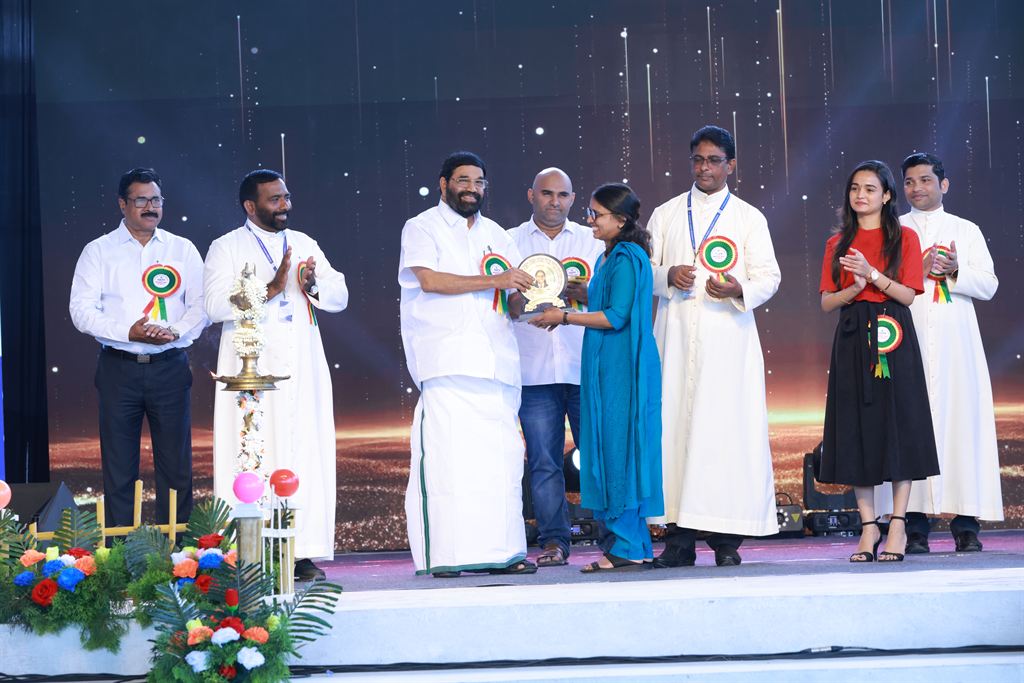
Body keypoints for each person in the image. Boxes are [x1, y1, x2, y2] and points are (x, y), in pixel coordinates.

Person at [204, 169, 349, 581]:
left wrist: (312, 283)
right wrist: (270, 288)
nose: (285, 205)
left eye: (286, 197)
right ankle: (249, 552)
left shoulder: (304, 243)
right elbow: (213, 305)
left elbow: (340, 296)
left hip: (302, 367)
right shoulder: (226, 247)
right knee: (252, 453)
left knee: (304, 451)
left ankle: (301, 551)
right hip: (251, 372)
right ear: (250, 206)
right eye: (275, 199)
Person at [647, 125, 781, 568]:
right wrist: (667, 275)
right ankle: (679, 541)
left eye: (714, 160)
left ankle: (726, 540)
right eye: (698, 160)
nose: (704, 168)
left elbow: (769, 276)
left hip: (728, 340)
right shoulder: (666, 214)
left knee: (724, 433)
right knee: (675, 433)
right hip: (675, 335)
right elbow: (643, 269)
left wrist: (739, 288)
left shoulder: (748, 217)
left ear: (731, 165)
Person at [399, 151, 537, 578]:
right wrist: (497, 280)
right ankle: (447, 556)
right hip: (448, 362)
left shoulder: (498, 234)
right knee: (450, 466)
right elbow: (429, 281)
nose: (472, 189)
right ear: (444, 184)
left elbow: (512, 301)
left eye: (479, 182)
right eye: (463, 180)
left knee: (502, 466)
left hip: (499, 365)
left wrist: (536, 298)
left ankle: (505, 552)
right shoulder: (422, 226)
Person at [530, 183, 663, 572]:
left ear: (620, 220)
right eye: (589, 213)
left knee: (618, 450)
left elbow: (617, 317)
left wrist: (564, 316)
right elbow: (612, 302)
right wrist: (584, 294)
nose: (590, 220)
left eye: (597, 214)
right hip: (609, 364)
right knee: (615, 448)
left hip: (622, 367)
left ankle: (625, 546)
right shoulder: (609, 257)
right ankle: (635, 546)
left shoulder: (625, 256)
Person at [69, 167, 207, 528]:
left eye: (156, 199)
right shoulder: (98, 251)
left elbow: (201, 306)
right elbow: (81, 312)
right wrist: (129, 333)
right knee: (118, 470)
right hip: (119, 369)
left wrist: (173, 332)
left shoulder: (182, 248)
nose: (151, 207)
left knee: (176, 469)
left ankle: (178, 552)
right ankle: (121, 552)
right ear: (122, 204)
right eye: (141, 200)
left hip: (169, 367)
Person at [818, 160, 940, 562]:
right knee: (857, 425)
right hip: (853, 335)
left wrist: (872, 275)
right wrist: (854, 289)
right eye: (855, 188)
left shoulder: (904, 237)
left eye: (870, 189)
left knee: (899, 423)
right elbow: (827, 302)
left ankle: (898, 525)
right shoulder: (837, 244)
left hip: (894, 333)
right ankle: (868, 527)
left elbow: (907, 295)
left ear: (886, 195)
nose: (861, 195)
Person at [894, 153, 1002, 553]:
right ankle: (914, 525)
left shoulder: (966, 229)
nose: (916, 188)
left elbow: (988, 285)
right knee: (910, 425)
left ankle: (966, 524)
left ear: (944, 184)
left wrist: (955, 270)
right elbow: (879, 281)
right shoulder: (893, 229)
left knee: (961, 427)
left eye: (925, 180)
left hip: (958, 347)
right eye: (909, 181)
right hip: (907, 339)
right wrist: (915, 268)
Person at [508, 168, 603, 567]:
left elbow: (612, 297)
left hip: (584, 366)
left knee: (597, 457)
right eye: (547, 193)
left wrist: (582, 291)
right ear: (531, 195)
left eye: (562, 195)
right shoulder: (508, 241)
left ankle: (613, 539)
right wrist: (521, 298)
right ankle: (554, 541)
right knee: (544, 462)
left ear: (572, 199)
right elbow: (503, 304)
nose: (554, 201)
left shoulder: (592, 240)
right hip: (534, 372)